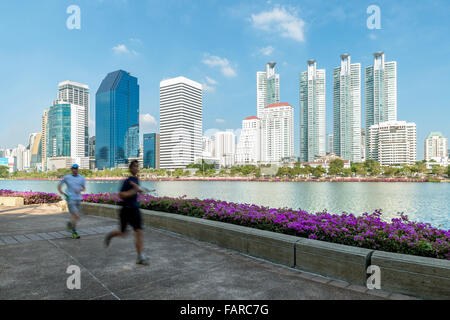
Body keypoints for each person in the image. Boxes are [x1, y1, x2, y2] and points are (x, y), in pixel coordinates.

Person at [104, 160, 149, 266]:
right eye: (134, 166)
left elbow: (136, 190)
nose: (136, 168)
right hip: (126, 209)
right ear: (130, 168)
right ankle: (110, 235)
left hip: (135, 209)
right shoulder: (127, 181)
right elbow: (121, 195)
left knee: (138, 232)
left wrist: (141, 190)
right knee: (123, 233)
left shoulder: (136, 179)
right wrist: (134, 191)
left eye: (137, 166)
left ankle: (140, 257)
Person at [58, 164, 86, 239]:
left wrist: (80, 190)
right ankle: (74, 232)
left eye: (76, 168)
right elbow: (60, 184)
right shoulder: (67, 177)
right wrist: (62, 192)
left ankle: (70, 224)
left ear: (78, 169)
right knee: (76, 215)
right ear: (71, 169)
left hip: (78, 199)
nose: (75, 170)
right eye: (73, 168)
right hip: (70, 199)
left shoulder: (81, 178)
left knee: (75, 217)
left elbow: (84, 188)